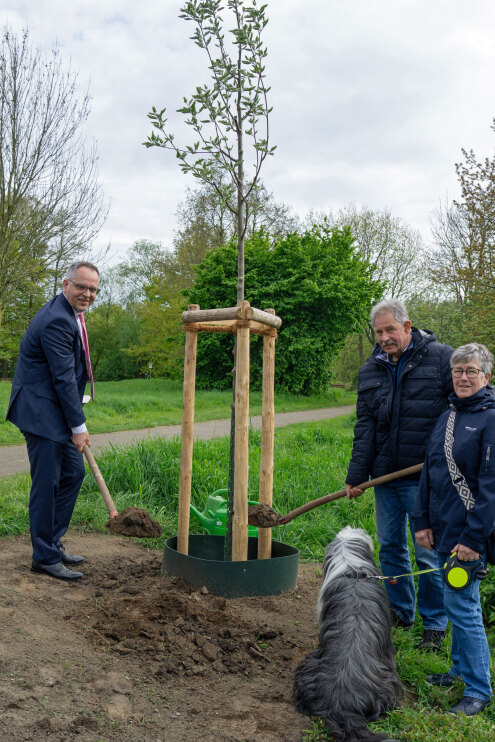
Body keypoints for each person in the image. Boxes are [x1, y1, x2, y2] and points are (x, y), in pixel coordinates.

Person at [345, 299, 453, 650]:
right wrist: (357, 475)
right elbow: (365, 426)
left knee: (427, 552)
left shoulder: (441, 359)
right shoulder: (371, 369)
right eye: (379, 332)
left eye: (390, 329)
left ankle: (435, 622)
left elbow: (466, 408)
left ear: (408, 327)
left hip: (426, 478)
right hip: (385, 479)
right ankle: (401, 611)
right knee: (390, 547)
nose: (385, 338)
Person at [413, 343, 494, 716]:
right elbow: (431, 472)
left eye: (471, 371)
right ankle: (460, 670)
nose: (463, 377)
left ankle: (478, 690)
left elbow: (491, 488)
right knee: (457, 602)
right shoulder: (448, 415)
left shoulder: (491, 419)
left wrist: (473, 540)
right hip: (442, 528)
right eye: (458, 371)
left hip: (469, 536)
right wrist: (422, 522)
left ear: (486, 376)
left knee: (462, 607)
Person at [6, 261, 100, 581]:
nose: (87, 293)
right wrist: (79, 427)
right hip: (40, 412)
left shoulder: (70, 314)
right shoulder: (56, 321)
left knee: (73, 474)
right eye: (82, 287)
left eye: (93, 289)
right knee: (47, 485)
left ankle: (51, 543)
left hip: (54, 410)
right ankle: (44, 557)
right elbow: (62, 379)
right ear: (65, 284)